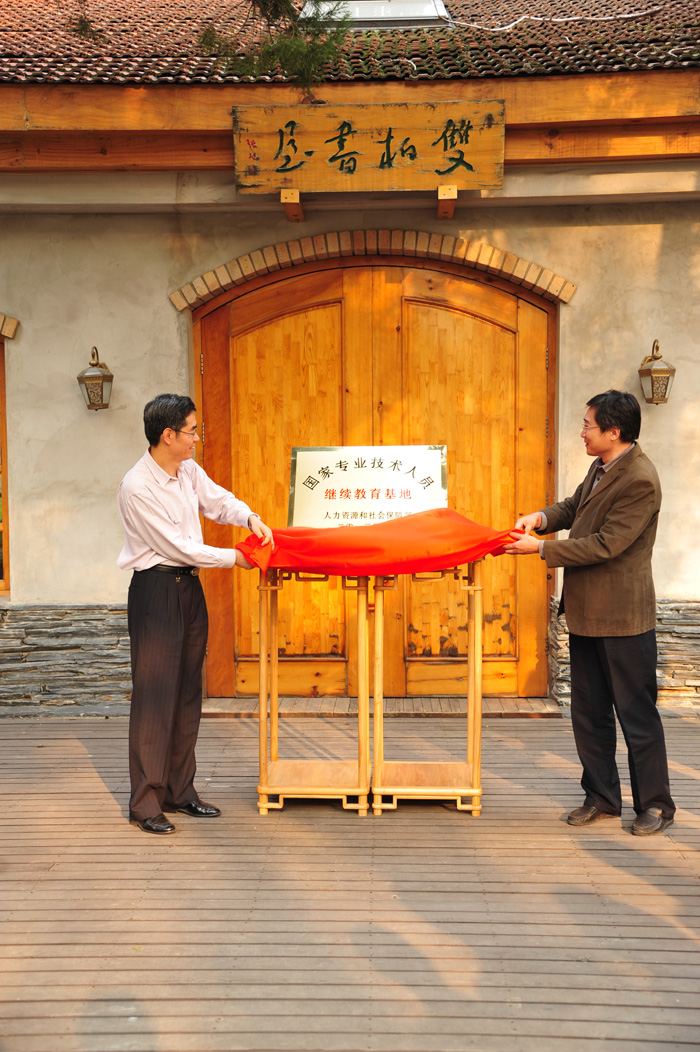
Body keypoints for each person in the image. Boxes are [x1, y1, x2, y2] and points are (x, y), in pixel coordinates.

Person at [505, 389, 675, 836]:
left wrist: (541, 548)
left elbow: (607, 544)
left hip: (623, 619)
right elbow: (574, 507)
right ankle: (601, 797)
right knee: (590, 712)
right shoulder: (602, 466)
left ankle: (656, 805)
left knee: (636, 715)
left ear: (613, 432)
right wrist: (540, 518)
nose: (582, 432)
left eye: (588, 425)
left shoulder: (640, 479)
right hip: (586, 613)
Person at [117, 393, 273, 835]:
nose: (196, 438)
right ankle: (146, 802)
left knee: (187, 691)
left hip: (188, 588)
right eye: (191, 431)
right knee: (155, 696)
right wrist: (235, 558)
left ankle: (179, 790)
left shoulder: (186, 469)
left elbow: (217, 500)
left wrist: (250, 518)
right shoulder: (137, 486)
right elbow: (177, 547)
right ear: (168, 435)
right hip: (156, 591)